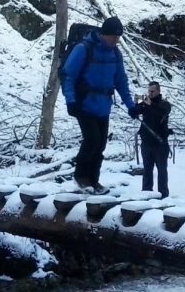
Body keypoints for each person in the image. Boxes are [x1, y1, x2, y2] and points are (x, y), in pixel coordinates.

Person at [62, 16, 138, 194]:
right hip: (83, 103)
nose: (116, 41)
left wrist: (131, 105)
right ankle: (81, 176)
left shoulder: (115, 54)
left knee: (100, 144)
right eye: (113, 37)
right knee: (92, 140)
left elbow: (120, 81)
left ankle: (94, 180)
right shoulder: (84, 49)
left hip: (103, 106)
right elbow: (68, 76)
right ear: (104, 34)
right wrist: (70, 101)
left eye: (118, 38)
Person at [130, 81, 172, 198]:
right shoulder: (145, 103)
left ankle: (163, 195)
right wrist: (134, 105)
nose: (150, 93)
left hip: (160, 143)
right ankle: (146, 194)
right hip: (146, 142)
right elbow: (134, 113)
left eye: (152, 91)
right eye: (149, 91)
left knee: (162, 170)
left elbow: (162, 112)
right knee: (147, 170)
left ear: (158, 91)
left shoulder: (164, 104)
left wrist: (150, 104)